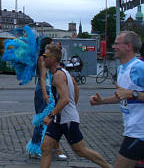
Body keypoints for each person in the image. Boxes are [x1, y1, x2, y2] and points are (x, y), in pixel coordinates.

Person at [40, 44, 110, 168]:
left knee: (81, 150)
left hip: (66, 119)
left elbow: (65, 99)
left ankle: (108, 166)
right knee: (45, 148)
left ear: (53, 59)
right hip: (59, 120)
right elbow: (76, 89)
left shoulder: (58, 75)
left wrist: (51, 115)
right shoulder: (64, 72)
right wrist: (73, 106)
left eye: (45, 56)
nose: (43, 58)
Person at [90, 31, 144, 168]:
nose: (113, 47)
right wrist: (101, 101)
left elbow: (130, 94)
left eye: (116, 43)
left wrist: (133, 94)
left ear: (128, 46)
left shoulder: (139, 67)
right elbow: (121, 96)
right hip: (131, 129)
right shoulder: (121, 69)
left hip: (139, 132)